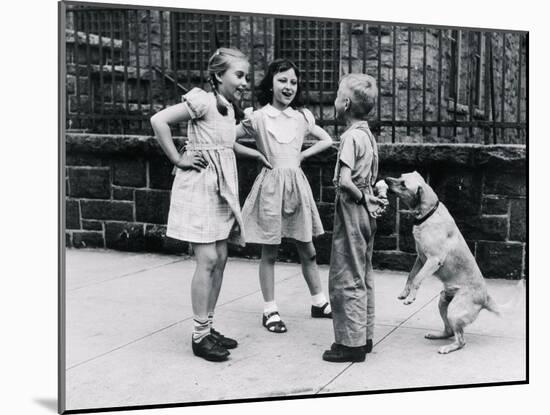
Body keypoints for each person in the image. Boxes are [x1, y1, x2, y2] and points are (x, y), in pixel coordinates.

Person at [150, 48, 270, 362]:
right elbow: (159, 120)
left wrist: (255, 153)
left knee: (220, 256)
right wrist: (178, 158)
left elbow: (225, 144)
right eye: (239, 75)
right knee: (206, 259)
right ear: (219, 75)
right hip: (200, 186)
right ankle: (199, 336)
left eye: (246, 75)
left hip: (222, 190)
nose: (245, 81)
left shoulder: (228, 108)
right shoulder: (201, 99)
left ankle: (208, 326)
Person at [236, 58, 333, 334]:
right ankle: (270, 310)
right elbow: (227, 139)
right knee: (270, 251)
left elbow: (326, 139)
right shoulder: (257, 117)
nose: (288, 86)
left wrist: (303, 154)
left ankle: (319, 302)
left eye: (293, 81)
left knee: (309, 249)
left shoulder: (301, 117)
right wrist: (254, 153)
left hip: (297, 187)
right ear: (270, 84)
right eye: (282, 80)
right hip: (271, 188)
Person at [322, 73, 388, 363]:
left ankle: (350, 344)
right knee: (363, 271)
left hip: (353, 206)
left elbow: (346, 181)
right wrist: (370, 200)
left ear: (345, 103)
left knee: (345, 274)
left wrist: (361, 198)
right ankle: (364, 336)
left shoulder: (350, 137)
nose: (334, 99)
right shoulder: (368, 135)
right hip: (367, 212)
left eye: (337, 94)